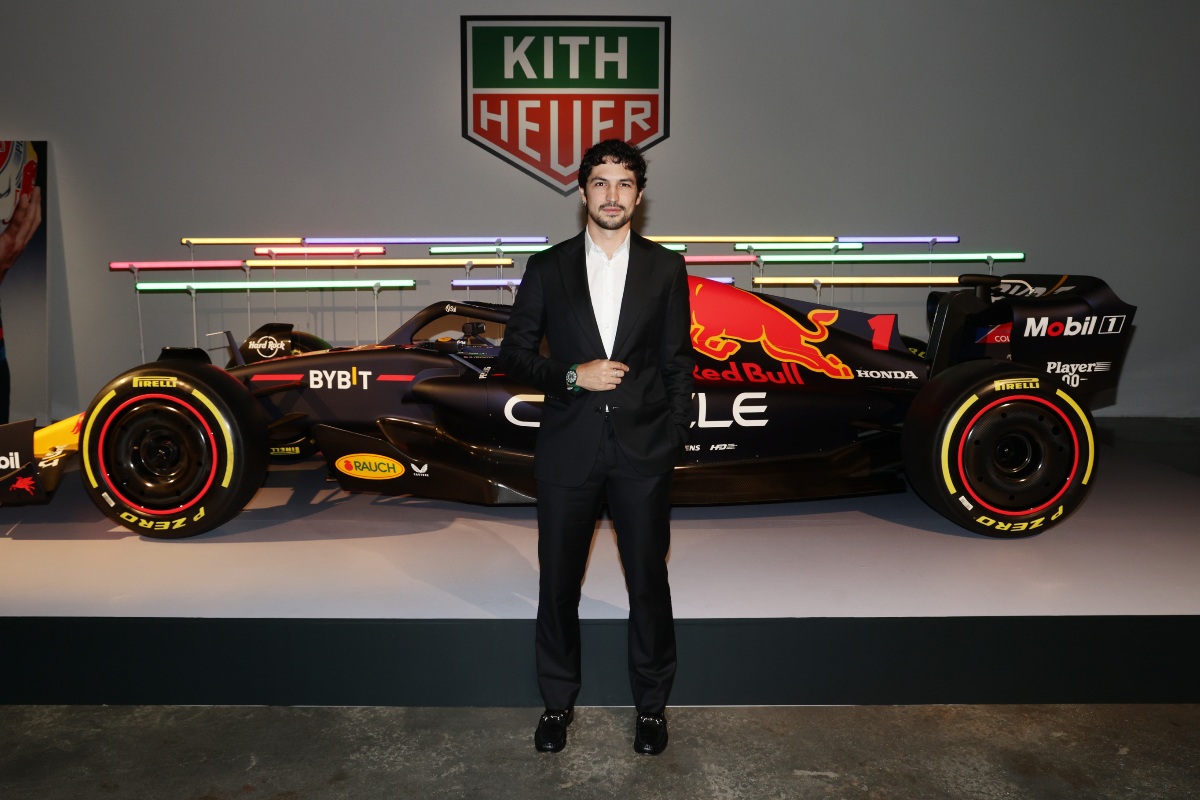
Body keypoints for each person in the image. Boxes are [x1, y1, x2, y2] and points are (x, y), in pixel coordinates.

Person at [498, 139, 694, 756]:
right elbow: (514, 355)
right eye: (601, 183)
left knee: (648, 584)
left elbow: (677, 363)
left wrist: (671, 436)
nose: (613, 195)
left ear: (640, 195)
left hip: (643, 453)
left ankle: (652, 708)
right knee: (558, 585)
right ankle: (557, 704)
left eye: (624, 184)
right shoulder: (547, 267)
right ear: (583, 192)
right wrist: (571, 375)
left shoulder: (666, 268)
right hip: (568, 450)